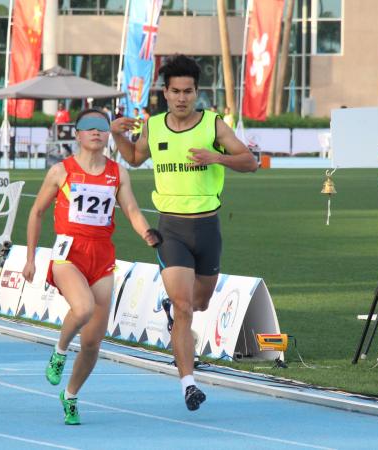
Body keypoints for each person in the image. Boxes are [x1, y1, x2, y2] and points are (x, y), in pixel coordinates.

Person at [110, 54, 258, 411]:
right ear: (164, 92)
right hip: (171, 228)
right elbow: (133, 157)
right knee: (182, 307)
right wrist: (117, 136)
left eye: (188, 92)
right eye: (175, 91)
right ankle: (189, 385)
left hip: (207, 227)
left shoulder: (214, 125)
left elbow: (251, 162)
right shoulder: (154, 125)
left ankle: (175, 314)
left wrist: (217, 157)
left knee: (199, 303)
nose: (181, 98)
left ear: (197, 92)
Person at [23, 108, 160, 425]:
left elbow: (132, 210)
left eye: (101, 127)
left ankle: (70, 394)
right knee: (82, 309)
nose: (96, 132)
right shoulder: (61, 171)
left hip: (101, 257)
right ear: (78, 134)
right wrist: (30, 258)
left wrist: (147, 233)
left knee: (92, 341)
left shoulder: (117, 173)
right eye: (89, 127)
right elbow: (36, 212)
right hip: (68, 253)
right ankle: (58, 352)